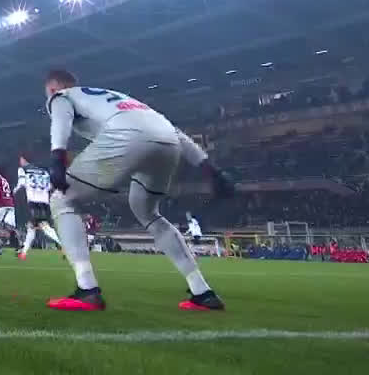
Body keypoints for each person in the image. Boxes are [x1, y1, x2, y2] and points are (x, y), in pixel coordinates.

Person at [41, 69, 234, 311]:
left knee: (62, 198)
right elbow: (174, 132)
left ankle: (87, 290)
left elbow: (61, 119)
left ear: (52, 89)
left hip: (127, 137)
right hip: (167, 143)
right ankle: (202, 292)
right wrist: (212, 171)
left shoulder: (61, 96)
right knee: (147, 212)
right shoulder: (120, 99)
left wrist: (57, 158)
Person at [15, 154, 61, 259]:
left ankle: (63, 244)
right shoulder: (44, 171)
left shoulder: (23, 170)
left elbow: (21, 183)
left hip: (34, 201)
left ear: (25, 160)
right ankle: (23, 253)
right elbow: (51, 186)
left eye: (21, 159)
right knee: (31, 226)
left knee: (43, 225)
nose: (20, 162)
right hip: (44, 201)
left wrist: (14, 192)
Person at [0, 164, 19, 256]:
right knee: (9, 227)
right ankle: (18, 247)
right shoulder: (4, 180)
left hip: (1, 205)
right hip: (10, 204)